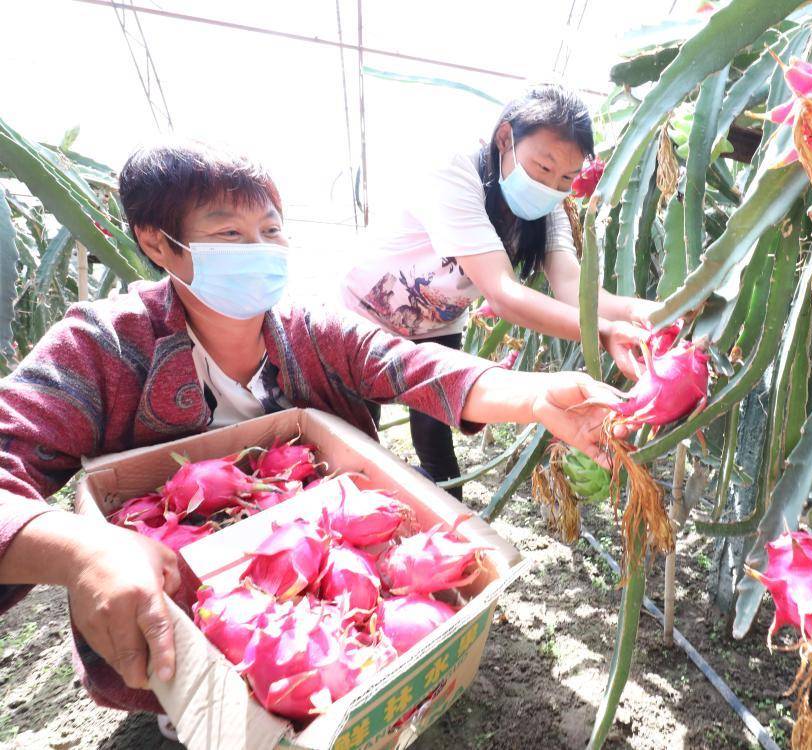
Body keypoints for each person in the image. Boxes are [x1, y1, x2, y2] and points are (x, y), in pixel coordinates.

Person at [0, 139, 627, 720]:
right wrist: (86, 551)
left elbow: (412, 365)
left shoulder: (311, 331)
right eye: (230, 233)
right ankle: (188, 707)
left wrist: (540, 395)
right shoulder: (101, 348)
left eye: (271, 231)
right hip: (175, 613)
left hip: (329, 596)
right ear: (158, 244)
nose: (262, 250)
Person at [341, 83, 658, 498]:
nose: (552, 187)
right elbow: (504, 294)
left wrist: (647, 311)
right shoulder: (455, 170)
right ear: (505, 138)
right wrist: (603, 332)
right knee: (357, 435)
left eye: (566, 177)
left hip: (436, 326)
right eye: (542, 168)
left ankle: (449, 531)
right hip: (364, 312)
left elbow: (577, 290)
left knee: (437, 445)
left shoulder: (550, 211)